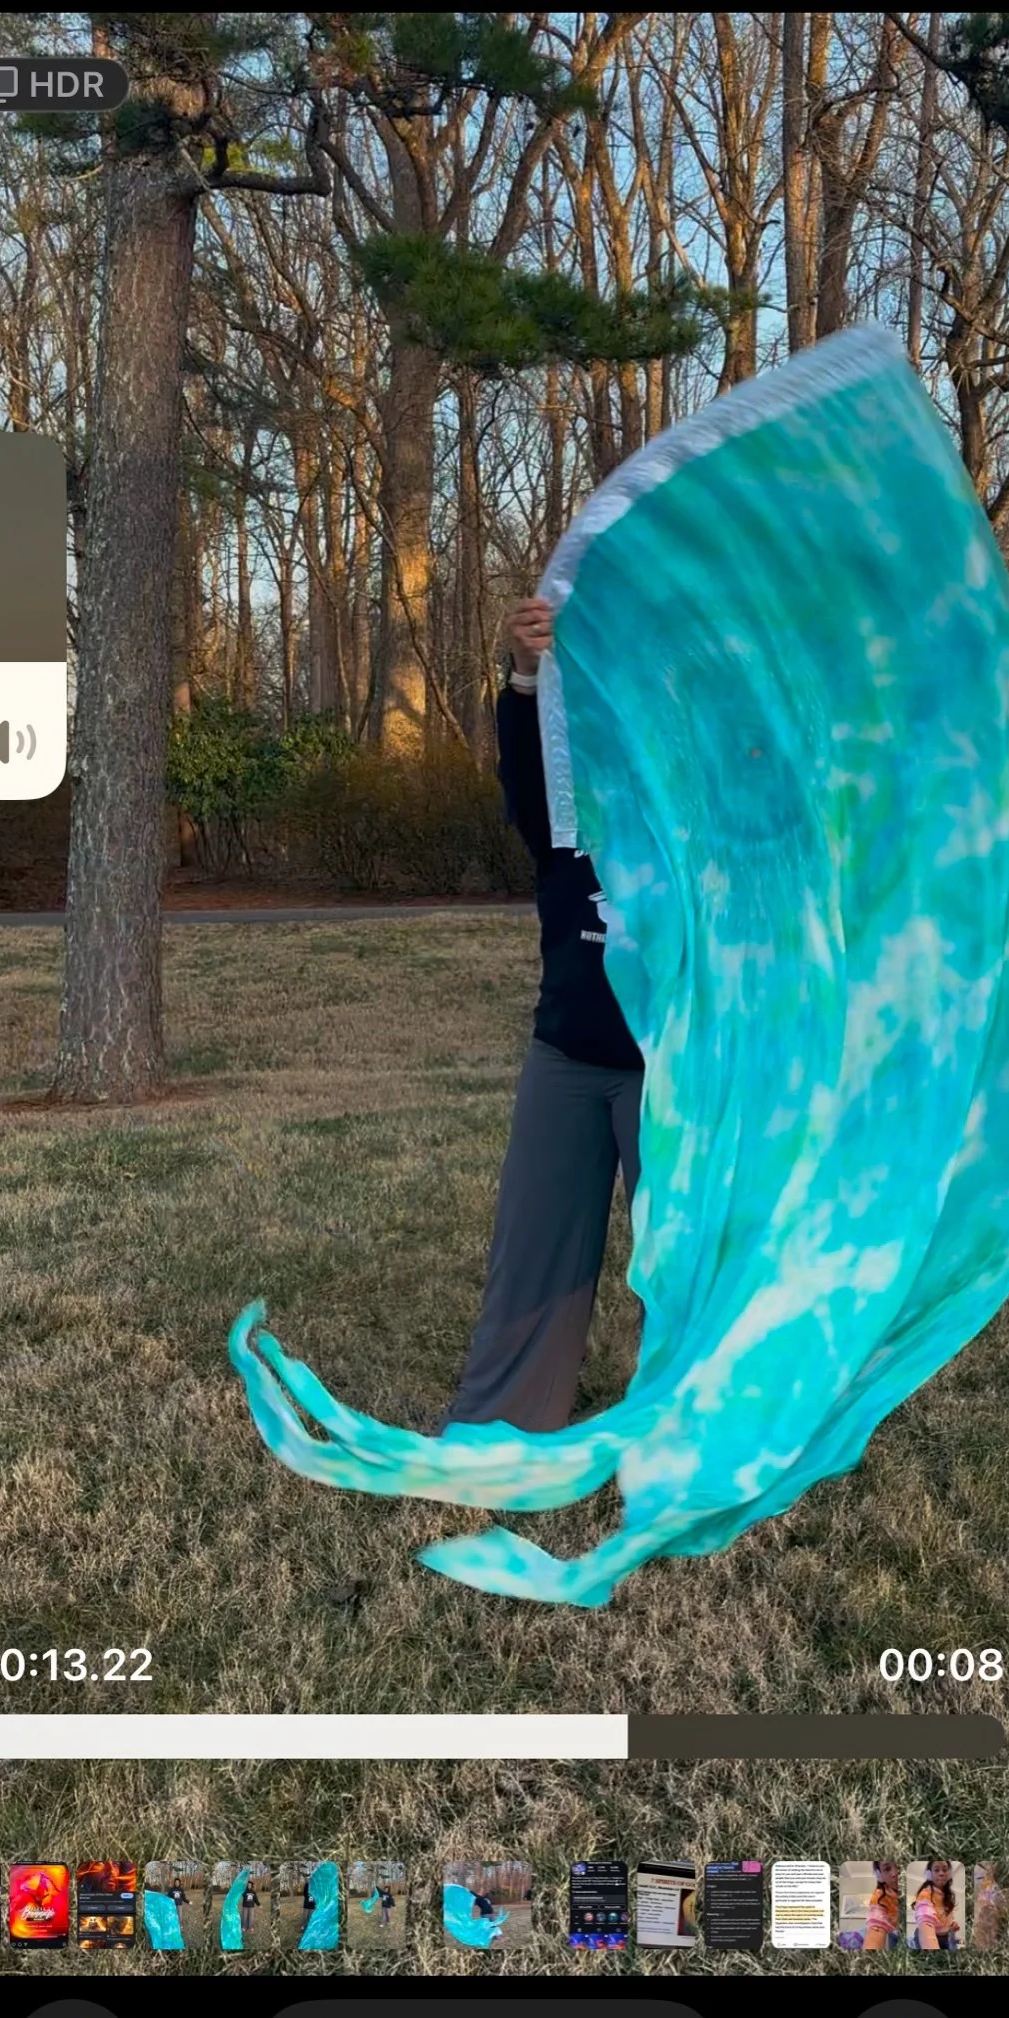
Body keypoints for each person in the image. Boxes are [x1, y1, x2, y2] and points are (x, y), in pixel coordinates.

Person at [441, 595, 644, 1436]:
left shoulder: (708, 825)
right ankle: (505, 1425)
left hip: (675, 1067)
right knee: (532, 1251)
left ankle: (691, 1439)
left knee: (684, 1266)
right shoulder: (565, 814)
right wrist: (527, 675)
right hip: (565, 1052)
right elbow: (526, 785)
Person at [911, 1859, 959, 1950]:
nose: (941, 1873)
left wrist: (951, 1926)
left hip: (947, 1936)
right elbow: (925, 1919)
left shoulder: (948, 1897)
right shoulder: (925, 1894)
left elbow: (945, 1920)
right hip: (928, 1934)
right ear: (929, 1874)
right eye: (936, 1870)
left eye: (944, 1870)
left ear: (949, 1874)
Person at [862, 1861, 900, 1952]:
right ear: (879, 1875)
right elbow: (877, 1922)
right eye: (887, 1869)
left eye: (899, 1866)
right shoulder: (879, 1897)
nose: (895, 1873)